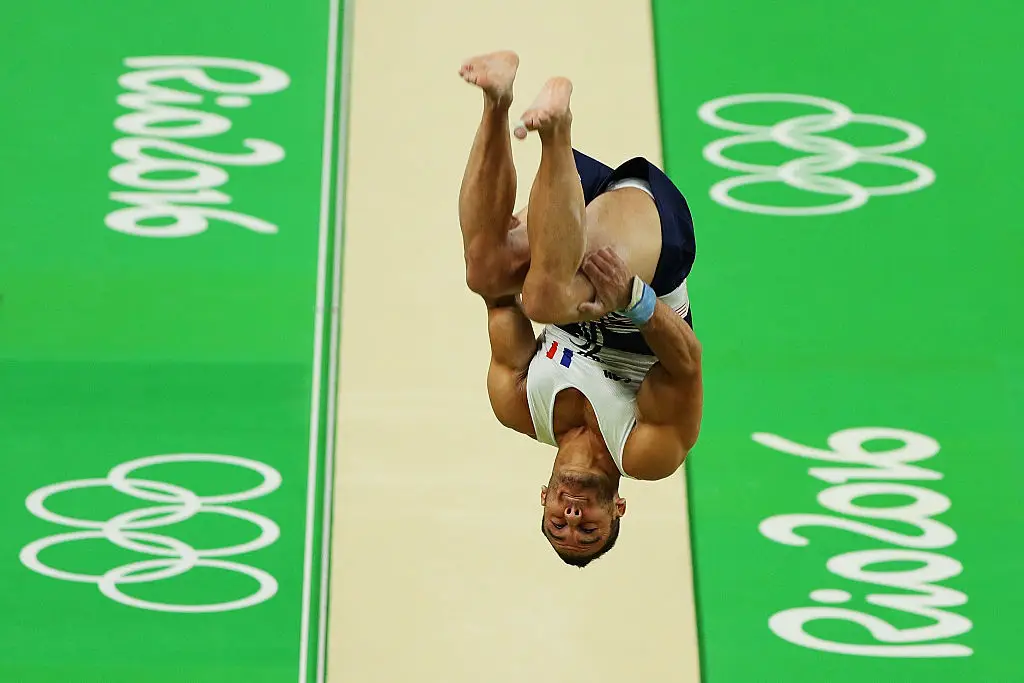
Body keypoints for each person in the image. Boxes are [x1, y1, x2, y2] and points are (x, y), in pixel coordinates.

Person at [458, 51, 703, 567]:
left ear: (543, 498)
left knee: (486, 269)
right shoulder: (643, 451)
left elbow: (497, 296)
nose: (573, 516)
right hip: (651, 251)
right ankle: (556, 127)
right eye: (588, 528)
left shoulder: (519, 404)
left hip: (567, 220)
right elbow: (686, 364)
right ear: (617, 507)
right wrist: (635, 300)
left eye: (558, 523)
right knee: (551, 297)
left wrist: (511, 282)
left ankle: (497, 99)